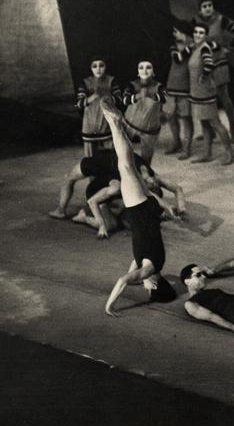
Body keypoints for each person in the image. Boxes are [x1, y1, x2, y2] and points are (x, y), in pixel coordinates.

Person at [100, 98, 177, 315]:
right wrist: (110, 306)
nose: (144, 286)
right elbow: (123, 280)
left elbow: (131, 269)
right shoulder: (149, 269)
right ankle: (114, 122)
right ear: (155, 284)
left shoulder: (152, 264)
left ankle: (115, 123)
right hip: (139, 209)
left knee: (129, 165)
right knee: (125, 165)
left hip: (149, 207)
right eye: (148, 288)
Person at [175, 22, 234, 165]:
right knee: (204, 123)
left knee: (215, 123)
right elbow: (178, 58)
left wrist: (204, 76)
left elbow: (209, 64)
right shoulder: (194, 48)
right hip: (196, 92)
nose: (198, 35)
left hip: (205, 92)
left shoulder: (204, 48)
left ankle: (230, 152)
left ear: (206, 35)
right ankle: (207, 153)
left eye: (201, 33)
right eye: (196, 32)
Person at [195, 0, 234, 143]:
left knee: (224, 96)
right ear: (200, 9)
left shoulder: (221, 19)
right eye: (204, 6)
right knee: (206, 98)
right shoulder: (195, 21)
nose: (208, 8)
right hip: (203, 63)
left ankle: (233, 129)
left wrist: (229, 48)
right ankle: (211, 131)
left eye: (210, 5)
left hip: (219, 62)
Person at [121, 60, 167, 166]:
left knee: (147, 159)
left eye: (148, 67)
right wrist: (138, 95)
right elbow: (125, 100)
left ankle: (145, 173)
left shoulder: (159, 86)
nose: (144, 71)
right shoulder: (132, 85)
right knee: (123, 152)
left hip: (150, 128)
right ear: (137, 71)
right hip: (130, 125)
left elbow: (164, 98)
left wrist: (150, 95)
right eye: (141, 67)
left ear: (154, 71)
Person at [75, 56, 122, 156]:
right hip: (90, 124)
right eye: (94, 66)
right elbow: (79, 103)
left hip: (107, 123)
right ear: (90, 68)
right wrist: (93, 96)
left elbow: (119, 100)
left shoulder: (111, 80)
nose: (98, 69)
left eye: (101, 65)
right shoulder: (86, 82)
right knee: (90, 157)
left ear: (106, 66)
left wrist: (107, 97)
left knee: (111, 155)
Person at [164, 20, 193, 158]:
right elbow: (178, 58)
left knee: (186, 118)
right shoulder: (174, 46)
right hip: (172, 86)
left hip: (186, 88)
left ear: (184, 32)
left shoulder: (195, 46)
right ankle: (177, 142)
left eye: (177, 31)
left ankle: (187, 148)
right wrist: (191, 47)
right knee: (171, 117)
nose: (174, 34)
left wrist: (192, 46)